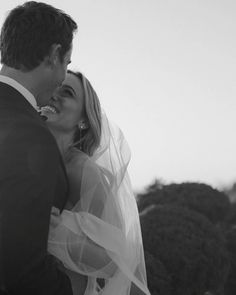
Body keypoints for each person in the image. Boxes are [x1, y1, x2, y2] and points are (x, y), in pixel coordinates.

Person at [42, 70, 151, 295]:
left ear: (83, 121)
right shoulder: (33, 156)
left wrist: (54, 229)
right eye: (55, 87)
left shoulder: (83, 170)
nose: (55, 95)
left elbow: (115, 261)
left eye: (68, 92)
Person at [0, 2, 77, 294]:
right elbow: (20, 269)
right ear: (55, 54)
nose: (61, 80)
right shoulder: (30, 134)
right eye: (67, 65)